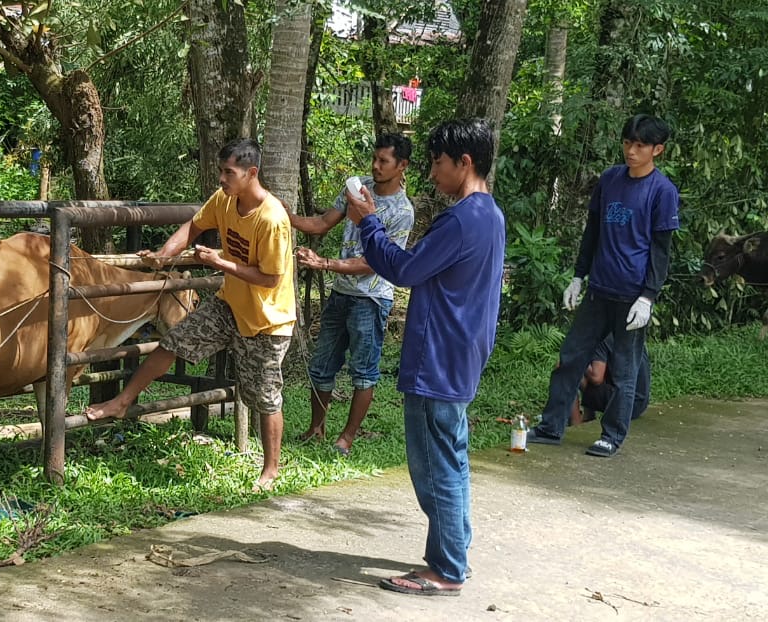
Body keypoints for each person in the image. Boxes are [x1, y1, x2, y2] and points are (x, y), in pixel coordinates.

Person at [345, 118, 505, 597]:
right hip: (461, 352)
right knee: (451, 457)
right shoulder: (489, 214)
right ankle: (455, 554)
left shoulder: (462, 219)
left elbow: (404, 269)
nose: (432, 173)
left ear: (465, 162)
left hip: (438, 355)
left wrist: (368, 222)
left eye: (437, 163)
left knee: (435, 465)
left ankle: (445, 569)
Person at [84, 138, 296, 492]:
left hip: (268, 320)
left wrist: (219, 262)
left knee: (265, 395)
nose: (222, 178)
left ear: (251, 173)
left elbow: (271, 277)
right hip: (230, 305)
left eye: (229, 172)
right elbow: (193, 227)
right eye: (221, 171)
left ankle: (270, 469)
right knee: (172, 342)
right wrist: (167, 255)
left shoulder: (272, 219)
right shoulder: (224, 200)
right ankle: (121, 402)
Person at [529, 115, 679, 457]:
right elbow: (592, 232)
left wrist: (648, 297)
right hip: (598, 290)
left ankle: (611, 435)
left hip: (632, 297)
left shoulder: (662, 192)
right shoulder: (610, 180)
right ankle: (552, 427)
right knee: (570, 357)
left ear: (657, 149)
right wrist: (578, 277)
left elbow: (661, 251)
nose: (631, 150)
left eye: (640, 145)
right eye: (628, 143)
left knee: (624, 370)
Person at [291, 133, 415, 455]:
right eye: (374, 159)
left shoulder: (402, 211)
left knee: (363, 371)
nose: (375, 166)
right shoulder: (356, 187)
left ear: (402, 166)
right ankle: (316, 429)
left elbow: (374, 263)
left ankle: (346, 437)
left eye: (383, 161)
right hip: (340, 293)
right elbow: (321, 223)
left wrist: (324, 263)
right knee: (321, 365)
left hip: (372, 299)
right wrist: (284, 215)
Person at [568, 336, 651, 426]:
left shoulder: (602, 337)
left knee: (568, 371)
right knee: (592, 364)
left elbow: (596, 378)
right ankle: (588, 416)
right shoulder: (629, 332)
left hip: (626, 406)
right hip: (639, 403)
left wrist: (576, 358)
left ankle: (576, 424)